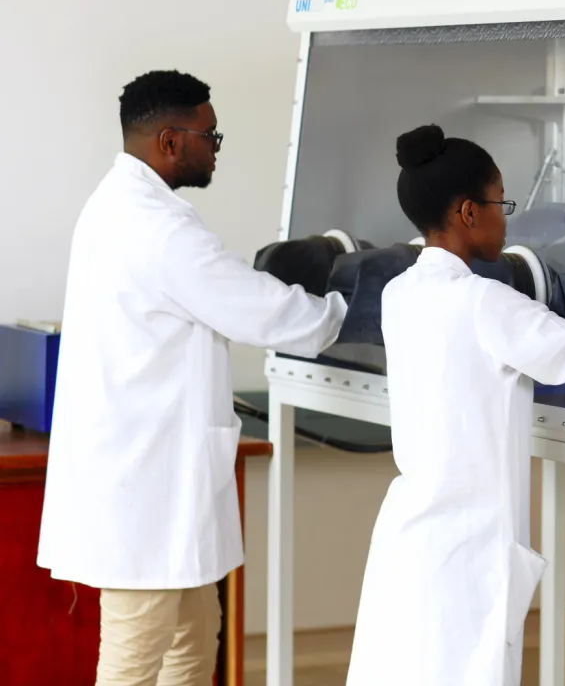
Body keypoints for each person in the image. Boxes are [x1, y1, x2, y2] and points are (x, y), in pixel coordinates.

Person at [37, 70, 347, 686]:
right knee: (133, 657)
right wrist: (344, 311)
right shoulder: (160, 229)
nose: (215, 146)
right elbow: (258, 309)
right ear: (170, 142)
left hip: (152, 479)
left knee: (193, 633)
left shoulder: (118, 206)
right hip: (144, 487)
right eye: (211, 135)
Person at [346, 125, 565, 686]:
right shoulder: (485, 302)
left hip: (413, 534)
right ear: (467, 212)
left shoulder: (398, 293)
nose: (507, 217)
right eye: (500, 201)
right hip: (469, 553)